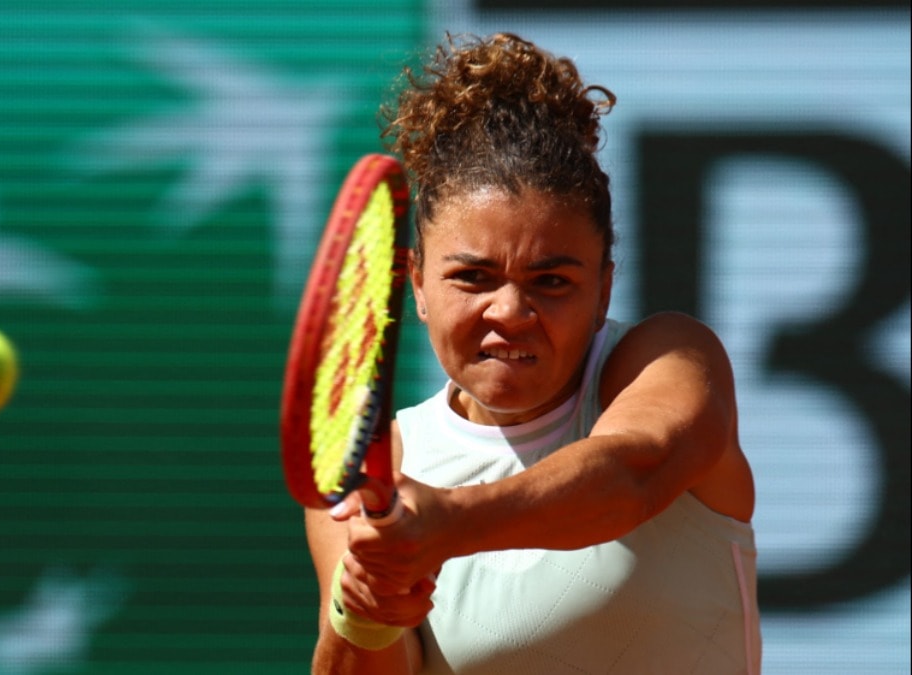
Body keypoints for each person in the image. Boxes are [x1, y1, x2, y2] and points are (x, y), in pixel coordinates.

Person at [304, 32, 761, 674]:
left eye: (551, 281)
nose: (511, 313)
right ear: (418, 285)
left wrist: (446, 524)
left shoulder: (670, 359)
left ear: (603, 290)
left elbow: (632, 474)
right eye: (473, 277)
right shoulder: (376, 470)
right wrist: (364, 611)